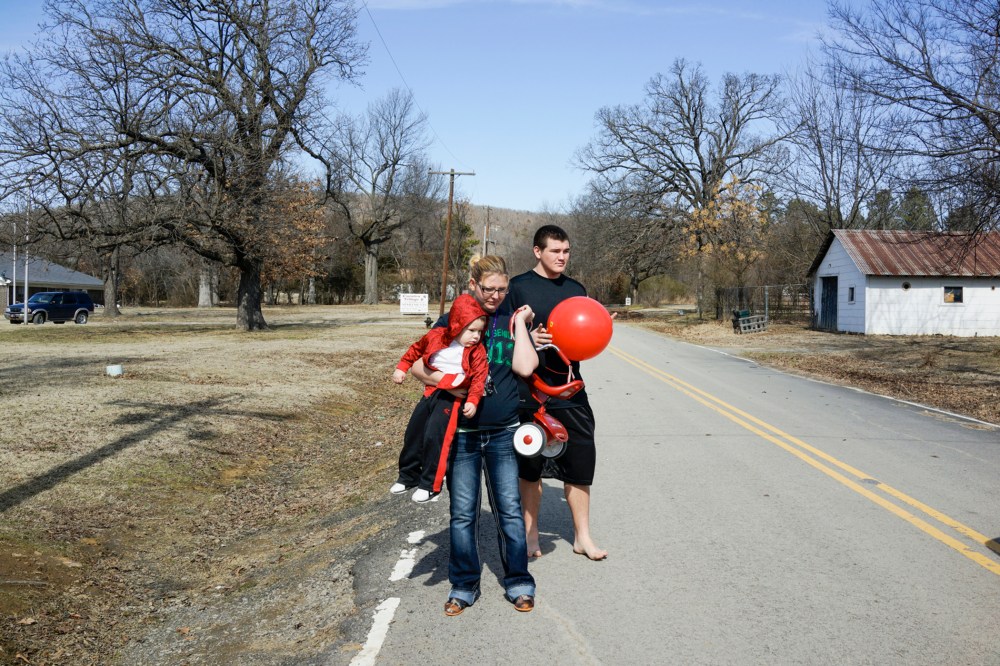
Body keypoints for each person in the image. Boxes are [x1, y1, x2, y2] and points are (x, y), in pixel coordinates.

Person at [410, 256, 539, 615]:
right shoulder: (453, 319)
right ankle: (463, 585)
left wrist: (520, 324)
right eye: (488, 289)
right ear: (472, 284)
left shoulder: (510, 316)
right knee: (463, 513)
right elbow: (420, 363)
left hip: (503, 431)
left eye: (502, 289)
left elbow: (526, 367)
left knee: (510, 511)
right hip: (462, 434)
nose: (495, 296)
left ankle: (518, 582)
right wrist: (449, 387)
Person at [501, 224, 608, 561]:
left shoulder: (577, 289)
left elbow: (586, 328)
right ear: (538, 251)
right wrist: (528, 341)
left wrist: (601, 325)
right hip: (528, 392)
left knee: (580, 463)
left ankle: (583, 538)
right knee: (529, 469)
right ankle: (531, 536)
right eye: (555, 251)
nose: (562, 257)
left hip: (570, 389)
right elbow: (499, 338)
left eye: (566, 252)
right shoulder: (517, 288)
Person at [392, 294, 488, 503]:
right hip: (431, 391)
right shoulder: (437, 336)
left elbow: (480, 377)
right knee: (414, 433)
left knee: (436, 437)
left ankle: (430, 484)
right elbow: (415, 350)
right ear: (456, 325)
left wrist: (472, 400)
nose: (475, 336)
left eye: (479, 331)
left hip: (452, 399)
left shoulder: (477, 351)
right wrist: (402, 368)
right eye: (471, 330)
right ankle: (408, 476)